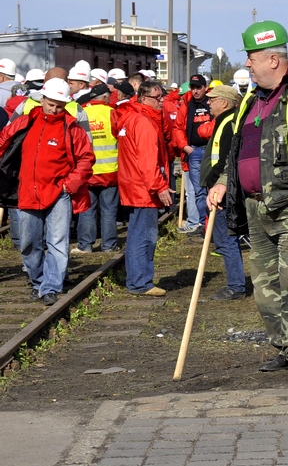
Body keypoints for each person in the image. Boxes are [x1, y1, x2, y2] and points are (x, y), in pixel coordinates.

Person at [207, 21, 288, 372]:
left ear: (273, 59)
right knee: (265, 286)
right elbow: (239, 150)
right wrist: (225, 180)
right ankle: (285, 347)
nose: (246, 66)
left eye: (250, 58)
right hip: (255, 208)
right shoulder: (251, 101)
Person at [0, 79, 95, 305]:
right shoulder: (25, 122)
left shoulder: (71, 127)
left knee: (58, 242)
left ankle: (51, 286)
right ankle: (38, 281)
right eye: (51, 104)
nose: (54, 109)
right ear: (41, 100)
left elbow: (86, 158)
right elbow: (3, 142)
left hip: (58, 193)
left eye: (59, 106)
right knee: (28, 243)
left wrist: (69, 184)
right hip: (27, 193)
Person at [118, 80, 173, 296]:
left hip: (134, 185)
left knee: (136, 234)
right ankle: (140, 282)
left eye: (162, 97)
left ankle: (137, 279)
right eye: (157, 98)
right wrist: (160, 186)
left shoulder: (131, 117)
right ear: (143, 98)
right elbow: (148, 160)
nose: (161, 102)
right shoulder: (144, 122)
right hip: (143, 190)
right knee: (144, 237)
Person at [197, 85, 247, 301]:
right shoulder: (224, 121)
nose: (208, 103)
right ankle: (236, 284)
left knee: (226, 239)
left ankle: (236, 286)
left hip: (222, 190)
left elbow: (227, 159)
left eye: (212, 99)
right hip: (219, 188)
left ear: (224, 102)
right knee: (224, 238)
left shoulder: (229, 123)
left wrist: (216, 184)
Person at [73, 84, 121, 255]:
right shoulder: (113, 113)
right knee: (109, 211)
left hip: (87, 171)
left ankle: (85, 245)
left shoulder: (82, 112)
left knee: (87, 209)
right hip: (110, 170)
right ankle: (109, 246)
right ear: (106, 98)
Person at [173, 74, 214, 235]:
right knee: (198, 191)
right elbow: (177, 127)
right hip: (194, 151)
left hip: (211, 151)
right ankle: (203, 225)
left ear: (205, 88)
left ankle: (213, 223)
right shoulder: (187, 103)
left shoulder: (211, 101)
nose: (196, 91)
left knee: (213, 188)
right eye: (193, 88)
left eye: (198, 87)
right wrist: (185, 147)